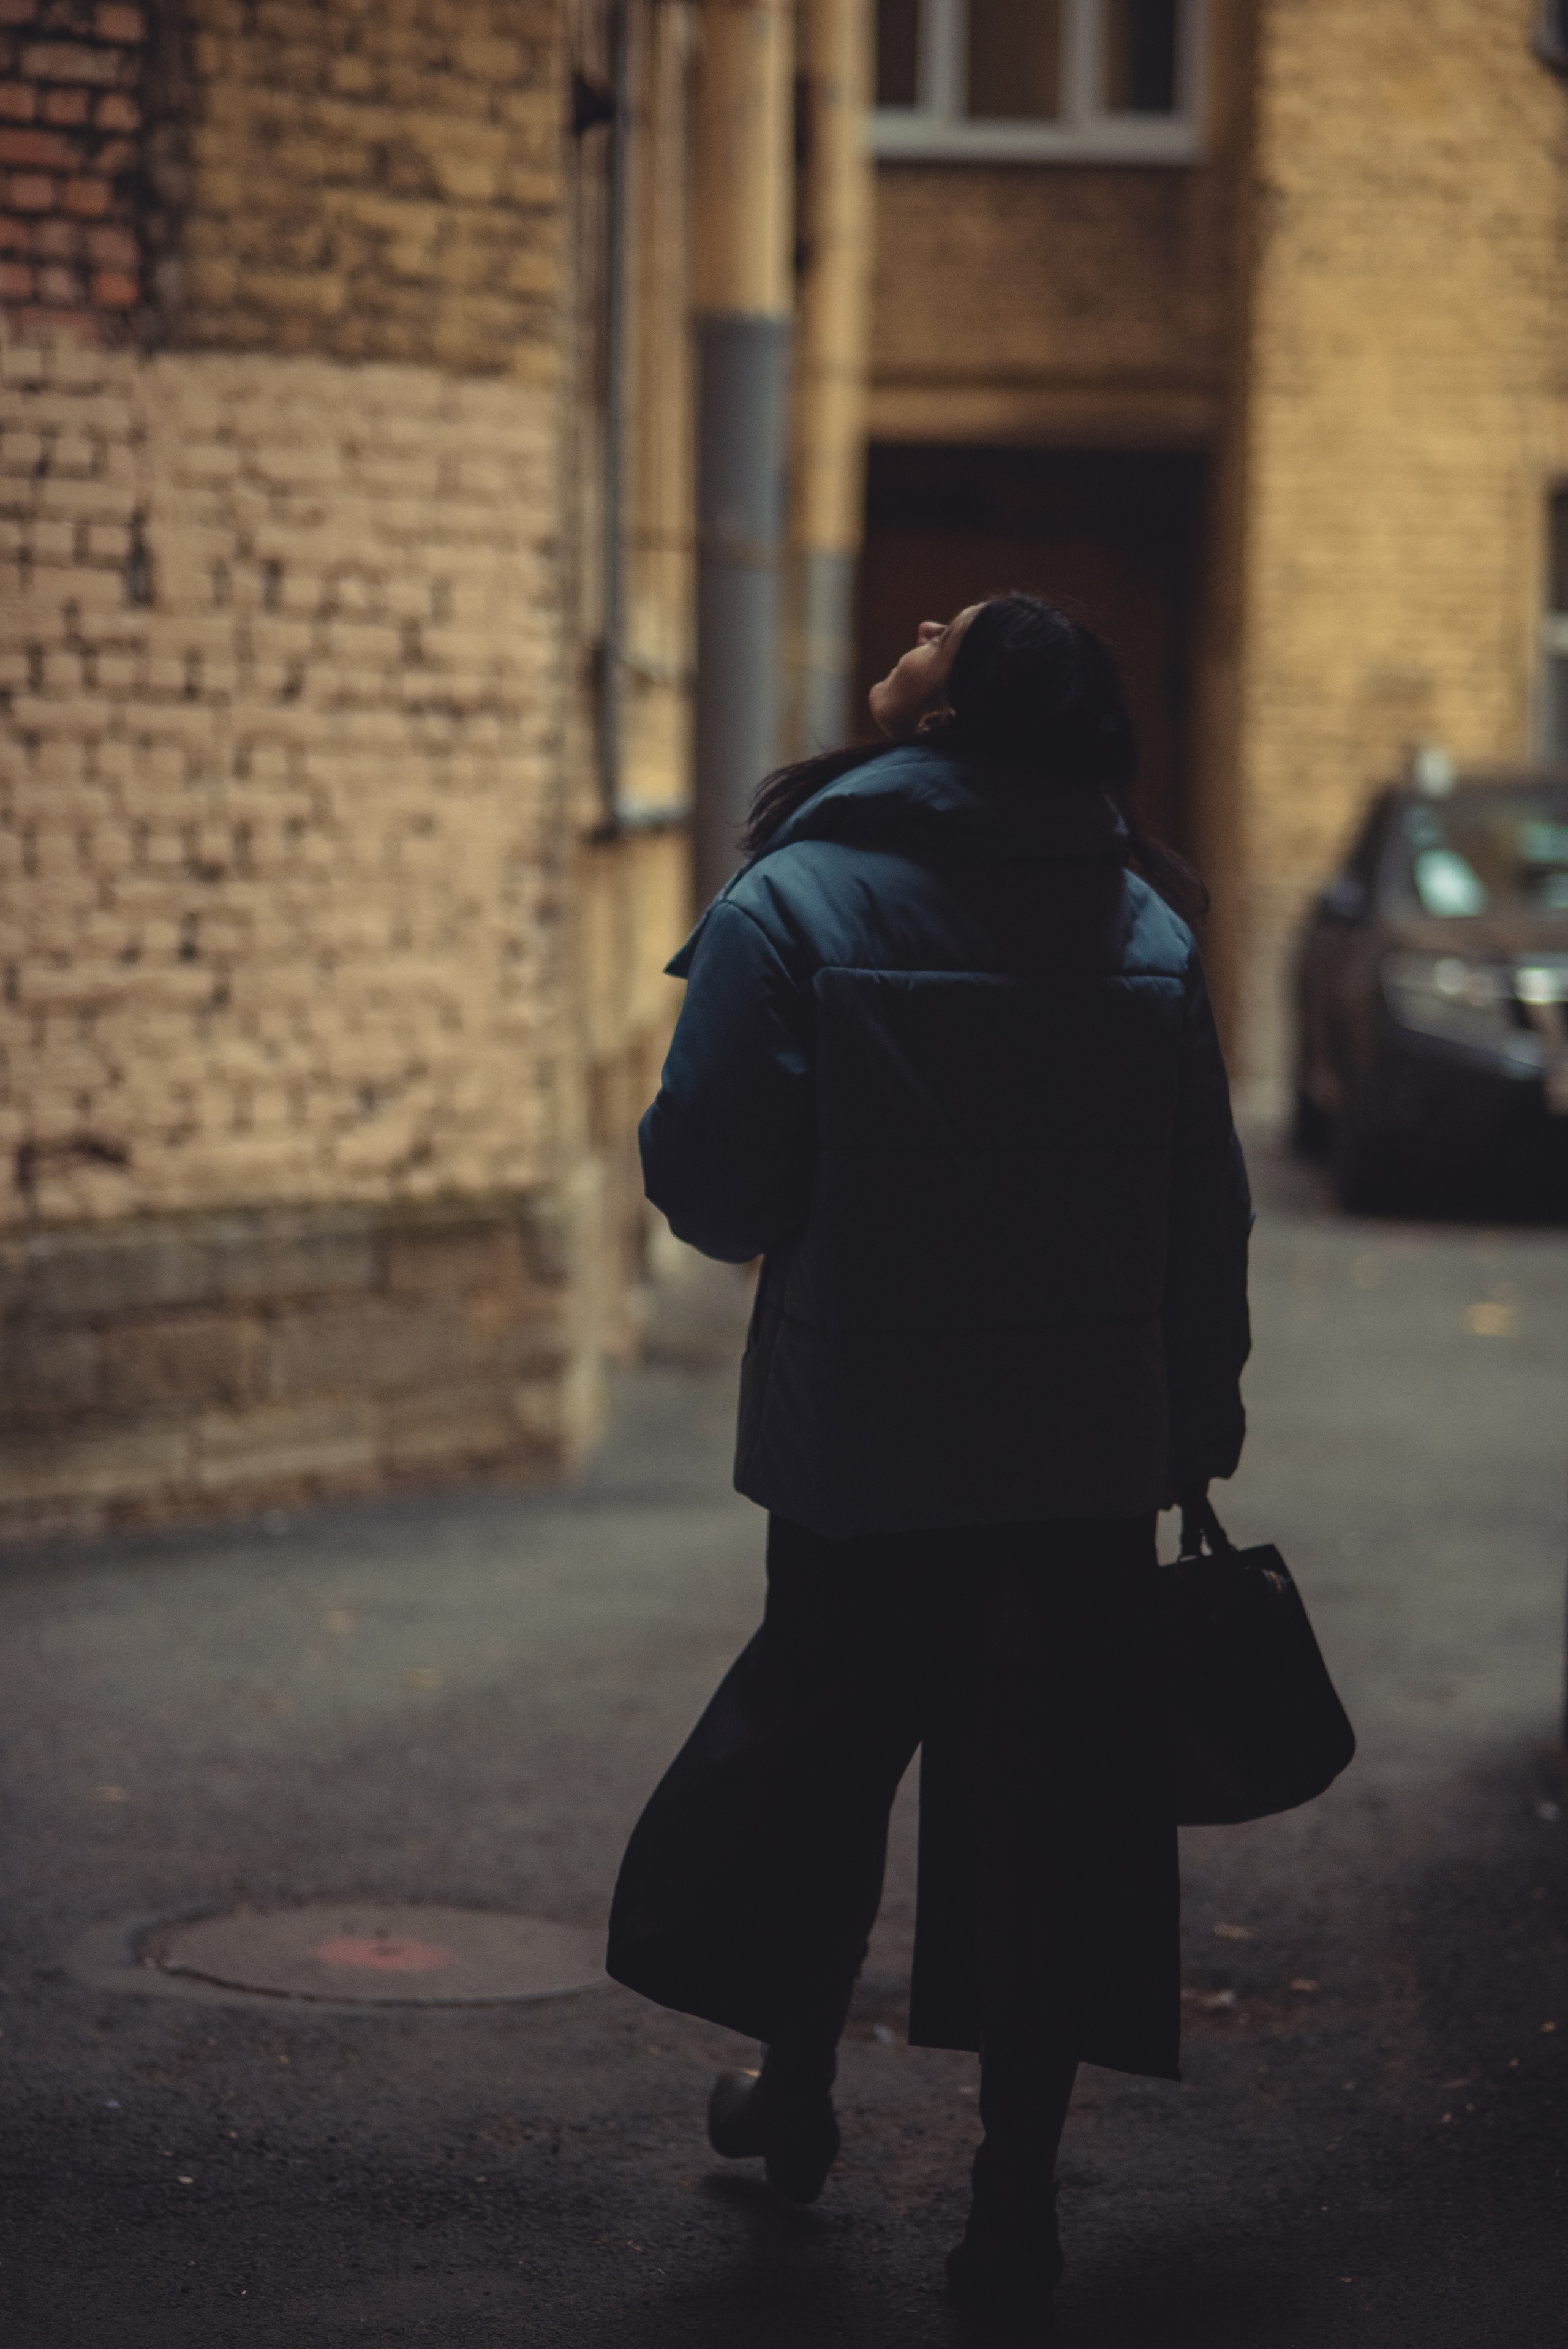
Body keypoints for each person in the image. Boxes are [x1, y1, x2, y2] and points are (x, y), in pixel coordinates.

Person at [606, 594, 1252, 2334]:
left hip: (861, 1461)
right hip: (1080, 1479)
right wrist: (1201, 1424)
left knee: (820, 1789)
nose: (903, 630)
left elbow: (717, 1189)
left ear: (954, 711)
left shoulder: (796, 901)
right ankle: (1011, 2208)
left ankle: (796, 2094)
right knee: (1047, 1824)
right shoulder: (1154, 932)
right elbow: (1206, 1223)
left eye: (938, 632)